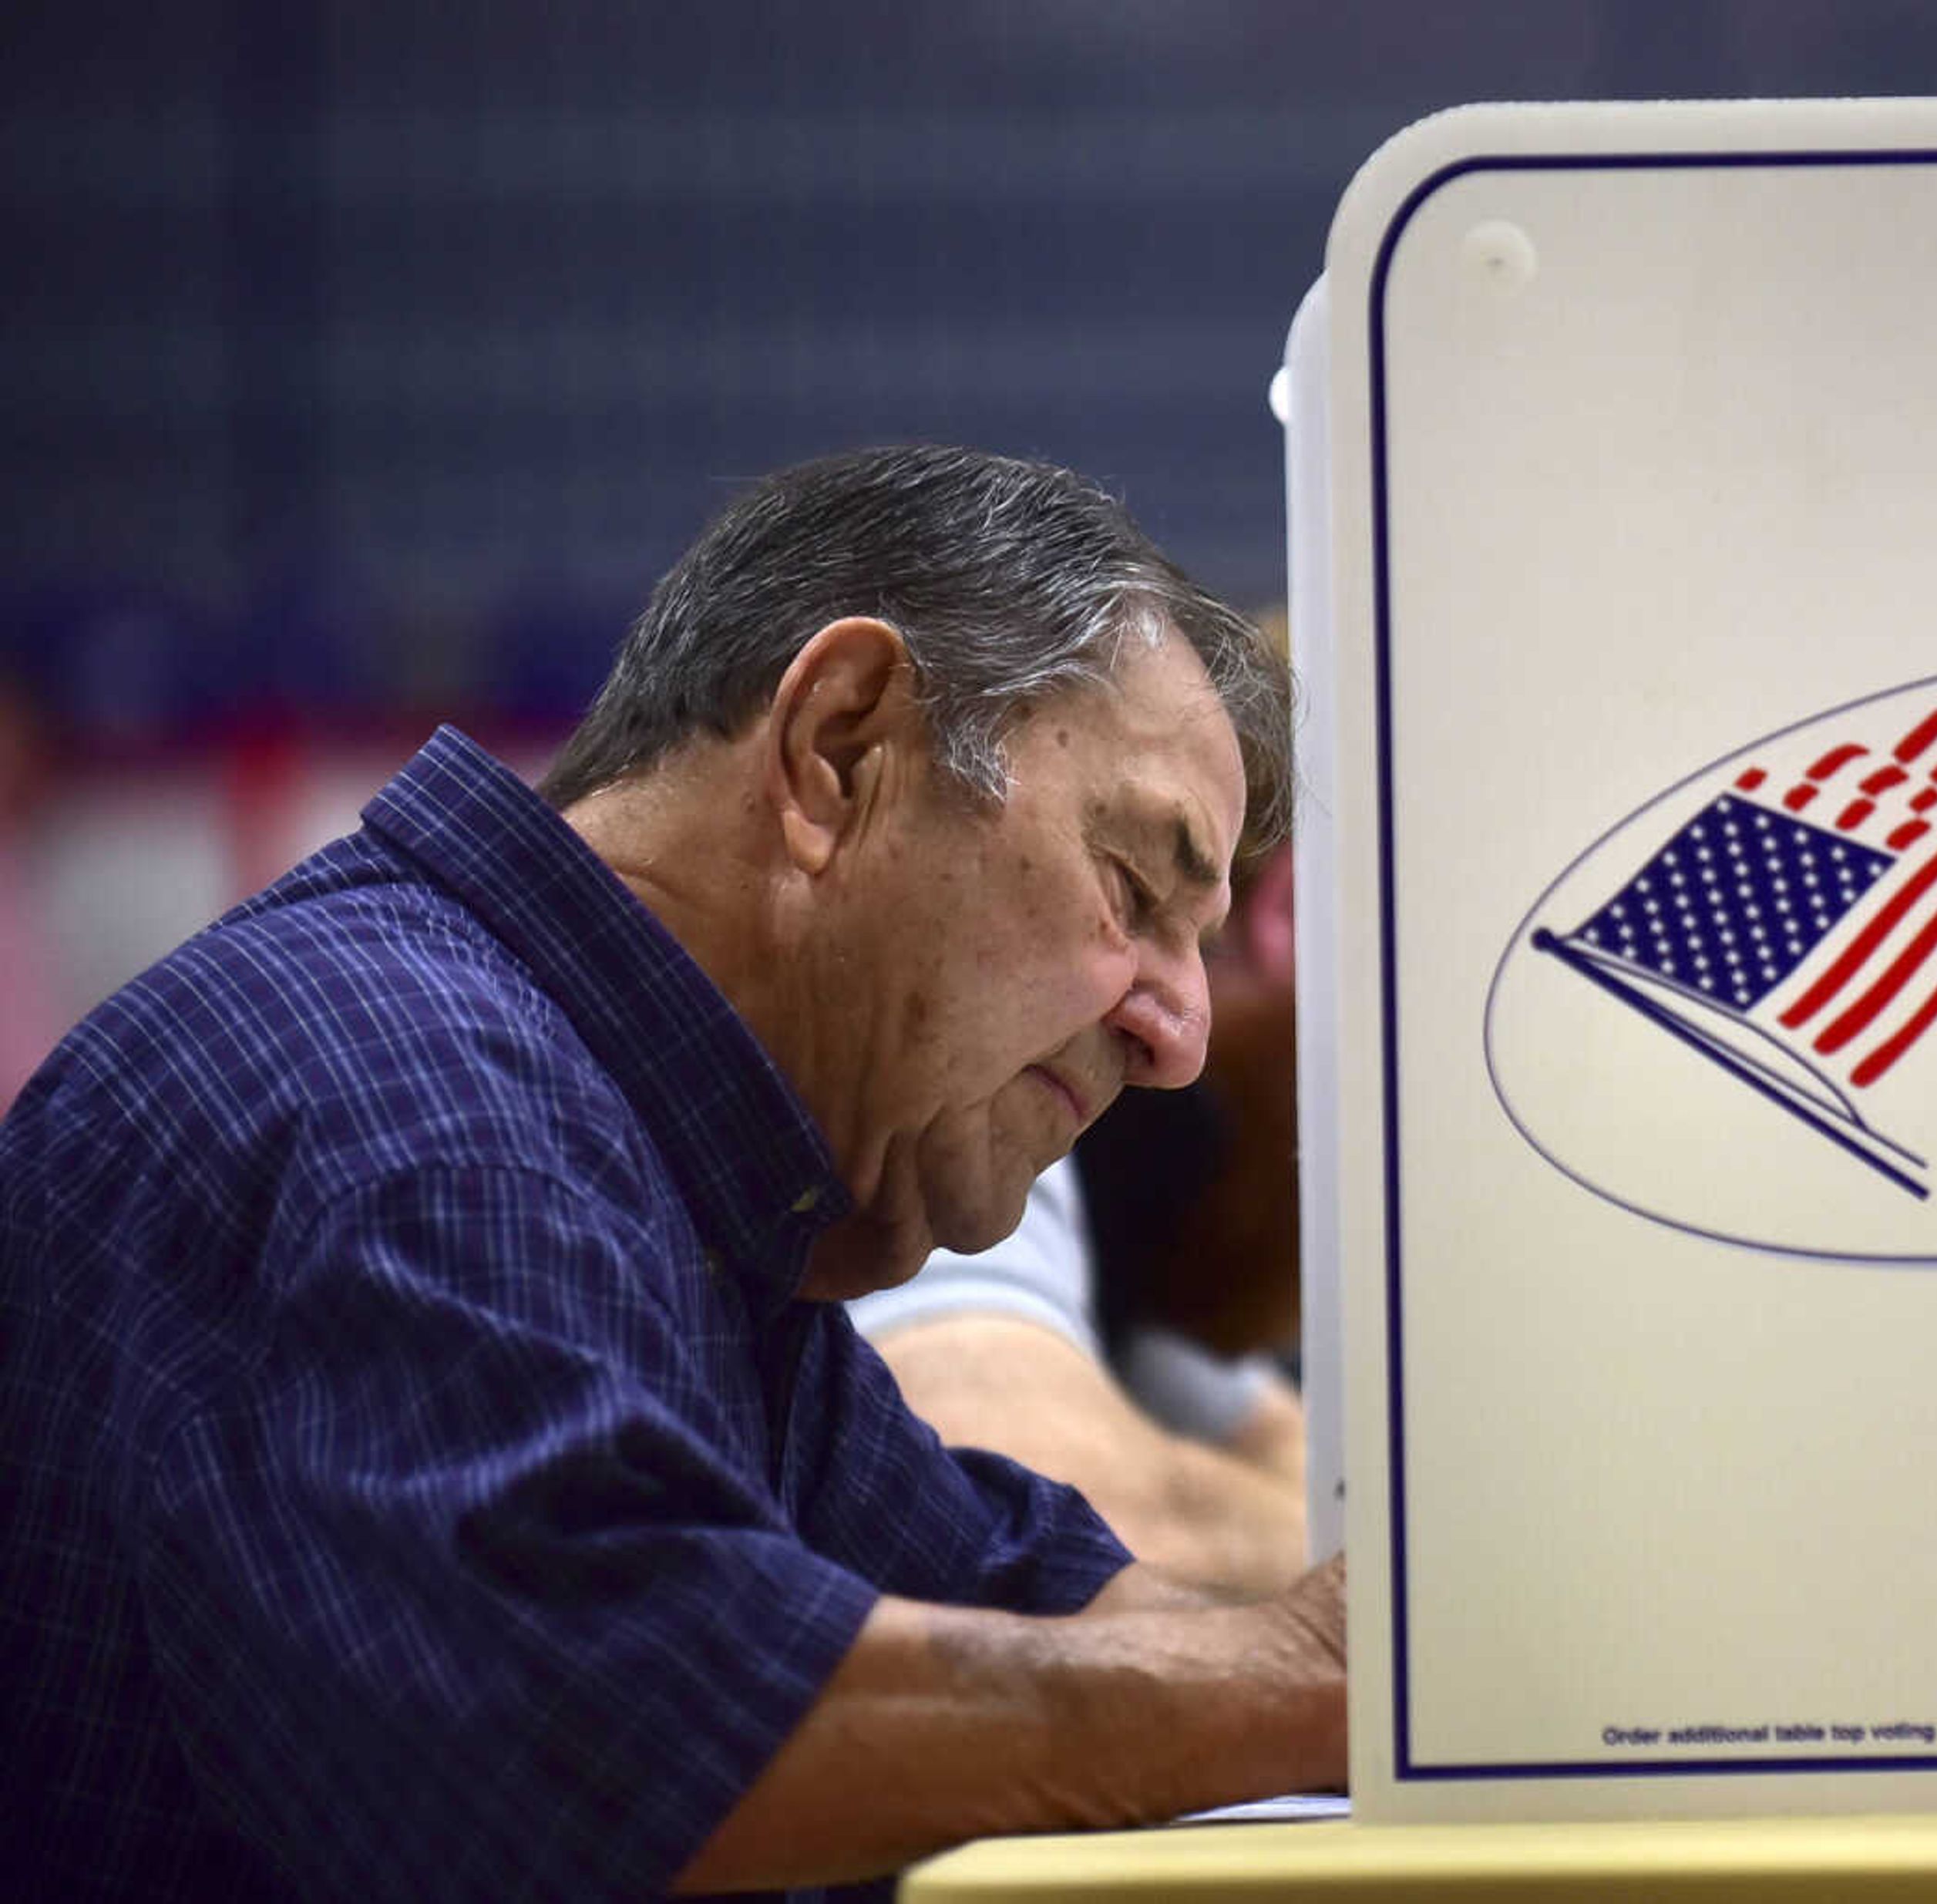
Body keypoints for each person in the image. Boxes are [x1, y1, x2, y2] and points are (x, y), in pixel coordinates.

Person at [0, 446, 1345, 1902]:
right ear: (839, 748)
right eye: (1135, 890)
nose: (1180, 1041)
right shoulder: (421, 1112)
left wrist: (1380, 1674)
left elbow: (1015, 1598)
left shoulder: (665, 1158)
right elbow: (630, 1729)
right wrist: (1298, 1682)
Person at [853, 845, 1307, 1596]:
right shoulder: (988, 1072)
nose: (1177, 1046)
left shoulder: (1147, 1240)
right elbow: (1039, 1515)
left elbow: (1304, 1466)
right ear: (1284, 913)